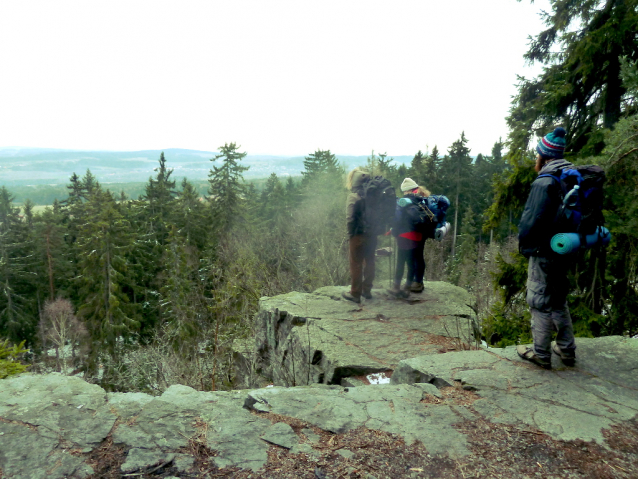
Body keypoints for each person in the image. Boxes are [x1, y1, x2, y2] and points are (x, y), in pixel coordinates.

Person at [517, 127, 577, 369]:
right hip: (567, 247)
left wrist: (525, 246)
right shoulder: (571, 175)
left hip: (545, 249)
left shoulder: (544, 181)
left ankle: (541, 353)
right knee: (559, 297)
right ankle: (566, 349)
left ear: (543, 155)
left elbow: (531, 221)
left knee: (539, 299)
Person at [343, 167, 376, 303]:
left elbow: (350, 218)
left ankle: (355, 293)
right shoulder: (374, 196)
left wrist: (351, 235)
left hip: (358, 235)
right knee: (370, 261)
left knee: (356, 263)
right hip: (372, 234)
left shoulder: (353, 197)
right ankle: (367, 291)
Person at [388, 178, 425, 298]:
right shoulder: (421, 201)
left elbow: (397, 221)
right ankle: (407, 287)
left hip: (404, 236)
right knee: (411, 262)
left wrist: (393, 231)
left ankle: (396, 287)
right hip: (417, 236)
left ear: (405, 190)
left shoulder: (402, 202)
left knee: (400, 261)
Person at [410, 185, 432, 293]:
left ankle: (418, 282)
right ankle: (418, 281)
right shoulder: (424, 201)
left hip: (418, 232)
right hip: (422, 232)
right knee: (417, 256)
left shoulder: (417, 201)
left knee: (416, 256)